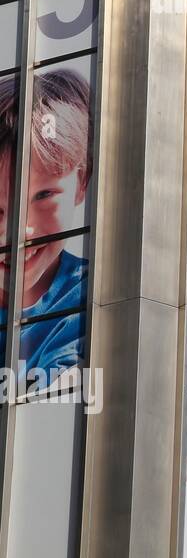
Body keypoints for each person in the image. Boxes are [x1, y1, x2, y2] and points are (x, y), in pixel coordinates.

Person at [0, 69, 91, 386]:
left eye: (43, 196)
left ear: (82, 182)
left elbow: (54, 405)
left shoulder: (90, 296)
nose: (16, 232)